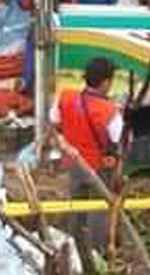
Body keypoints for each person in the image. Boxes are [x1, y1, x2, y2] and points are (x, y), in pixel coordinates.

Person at [49, 57, 124, 251]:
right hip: (99, 168)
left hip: (73, 163)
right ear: (106, 82)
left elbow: (54, 122)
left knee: (77, 204)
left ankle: (74, 245)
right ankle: (94, 252)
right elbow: (119, 142)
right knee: (98, 210)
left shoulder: (65, 97)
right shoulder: (110, 111)